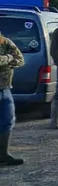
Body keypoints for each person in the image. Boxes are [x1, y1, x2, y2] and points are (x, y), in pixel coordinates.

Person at [0, 24, 25, 167]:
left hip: (5, 88)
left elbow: (21, 59)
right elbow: (12, 58)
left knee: (8, 121)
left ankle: (3, 154)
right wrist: (9, 57)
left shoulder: (5, 42)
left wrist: (8, 59)